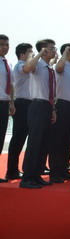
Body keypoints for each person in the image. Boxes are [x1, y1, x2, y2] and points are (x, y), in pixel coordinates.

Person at [19, 39, 57, 189]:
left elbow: (51, 91)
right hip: (37, 106)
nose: (54, 50)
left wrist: (53, 109)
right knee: (35, 142)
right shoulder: (37, 64)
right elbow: (27, 68)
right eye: (51, 48)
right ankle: (27, 178)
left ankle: (37, 175)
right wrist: (40, 53)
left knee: (44, 143)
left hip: (47, 107)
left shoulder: (49, 67)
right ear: (44, 50)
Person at [49, 43, 70, 184]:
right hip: (63, 105)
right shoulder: (61, 65)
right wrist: (65, 53)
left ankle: (64, 169)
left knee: (68, 141)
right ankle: (55, 172)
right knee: (58, 140)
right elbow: (58, 68)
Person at [5, 42, 33, 181]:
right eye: (30, 52)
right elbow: (27, 69)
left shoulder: (29, 66)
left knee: (28, 138)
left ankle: (24, 168)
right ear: (22, 55)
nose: (33, 55)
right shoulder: (20, 66)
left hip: (30, 104)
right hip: (22, 104)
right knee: (18, 138)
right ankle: (12, 171)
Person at [0, 34, 14, 183]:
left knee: (1, 137)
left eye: (7, 45)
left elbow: (11, 85)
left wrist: (11, 103)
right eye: (2, 44)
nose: (5, 47)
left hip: (4, 103)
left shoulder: (7, 63)